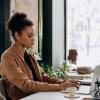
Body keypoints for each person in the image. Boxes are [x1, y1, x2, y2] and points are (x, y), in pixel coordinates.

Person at [0, 13, 79, 100]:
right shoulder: (7, 57)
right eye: (29, 35)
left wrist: (64, 83)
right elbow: (26, 85)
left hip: (38, 96)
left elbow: (43, 77)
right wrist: (59, 86)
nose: (33, 38)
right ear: (17, 35)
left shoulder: (29, 54)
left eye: (34, 35)